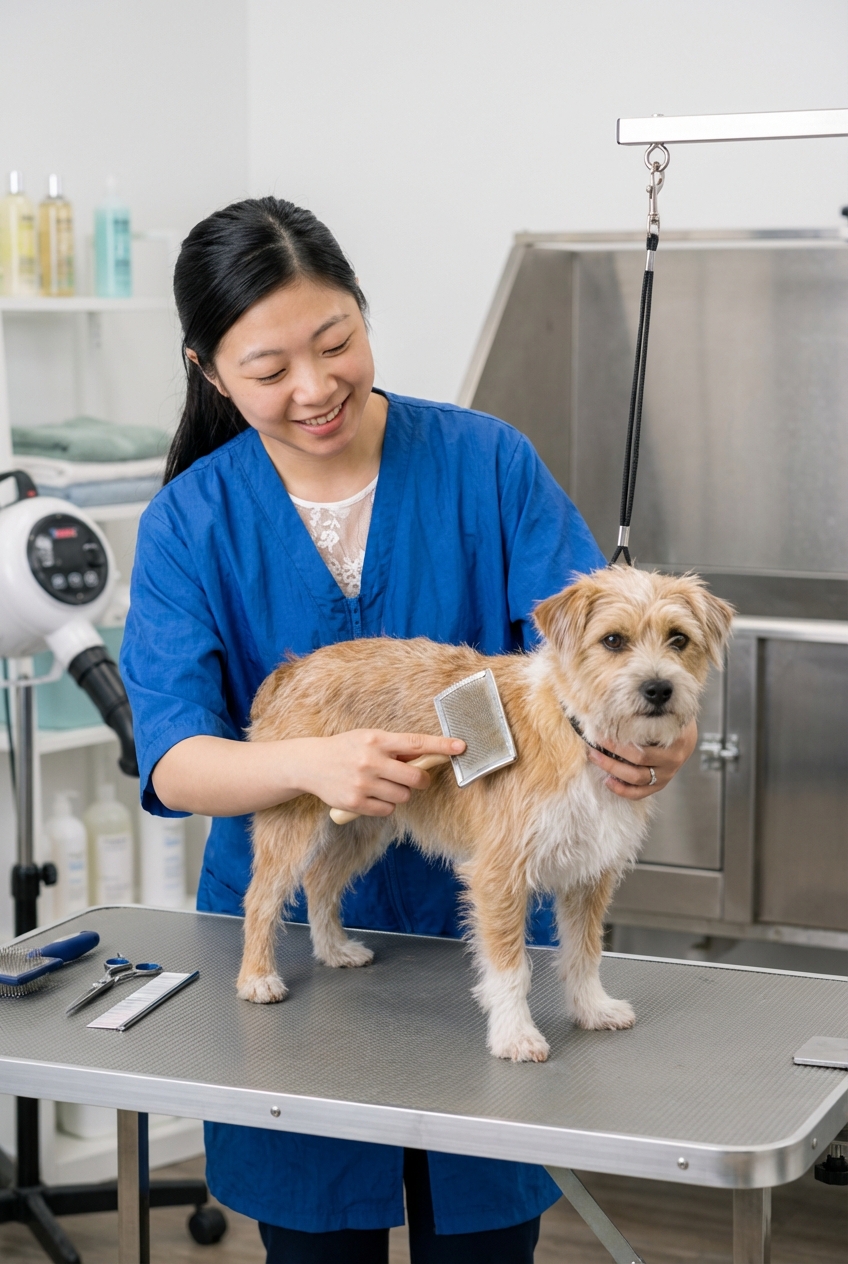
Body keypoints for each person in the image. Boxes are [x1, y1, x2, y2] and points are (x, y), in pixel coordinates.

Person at [121, 197, 696, 1264]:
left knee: (481, 1237)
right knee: (316, 1238)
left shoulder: (485, 461)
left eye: (334, 340)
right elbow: (173, 757)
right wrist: (314, 761)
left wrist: (643, 738)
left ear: (362, 314)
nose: (313, 386)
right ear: (209, 372)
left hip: (481, 936)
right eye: (266, 367)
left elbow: (589, 643)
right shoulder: (191, 520)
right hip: (292, 949)